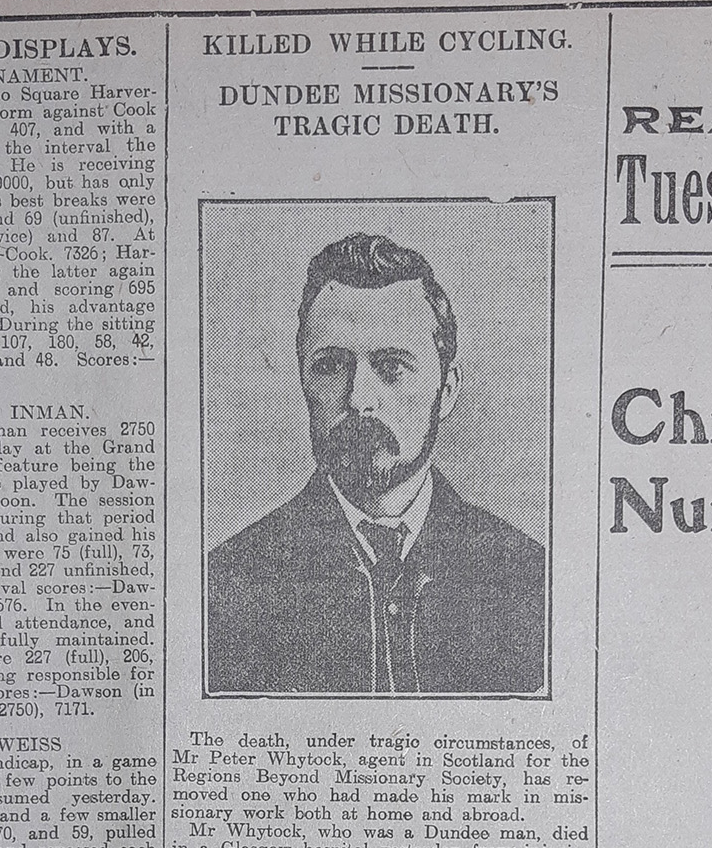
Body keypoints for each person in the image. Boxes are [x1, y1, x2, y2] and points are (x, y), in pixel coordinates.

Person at [206, 232, 546, 696]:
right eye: (331, 366)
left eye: (391, 367)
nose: (361, 399)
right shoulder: (230, 586)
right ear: (303, 380)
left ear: (447, 391)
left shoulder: (525, 579)